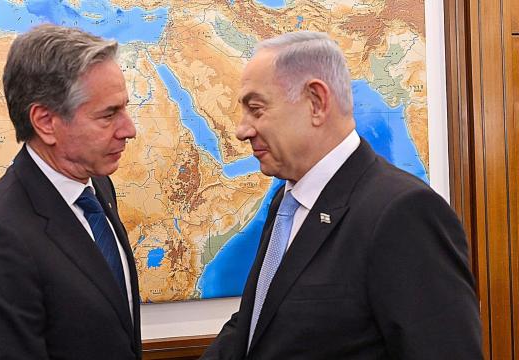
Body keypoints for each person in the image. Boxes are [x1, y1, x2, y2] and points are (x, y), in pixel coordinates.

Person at [201, 31, 482, 359]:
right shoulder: (286, 202)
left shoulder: (402, 213)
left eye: (256, 109)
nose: (242, 130)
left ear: (316, 102)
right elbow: (256, 322)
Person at [0, 24, 140, 359]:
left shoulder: (98, 187)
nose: (129, 130)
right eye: (109, 115)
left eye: (124, 109)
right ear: (45, 122)